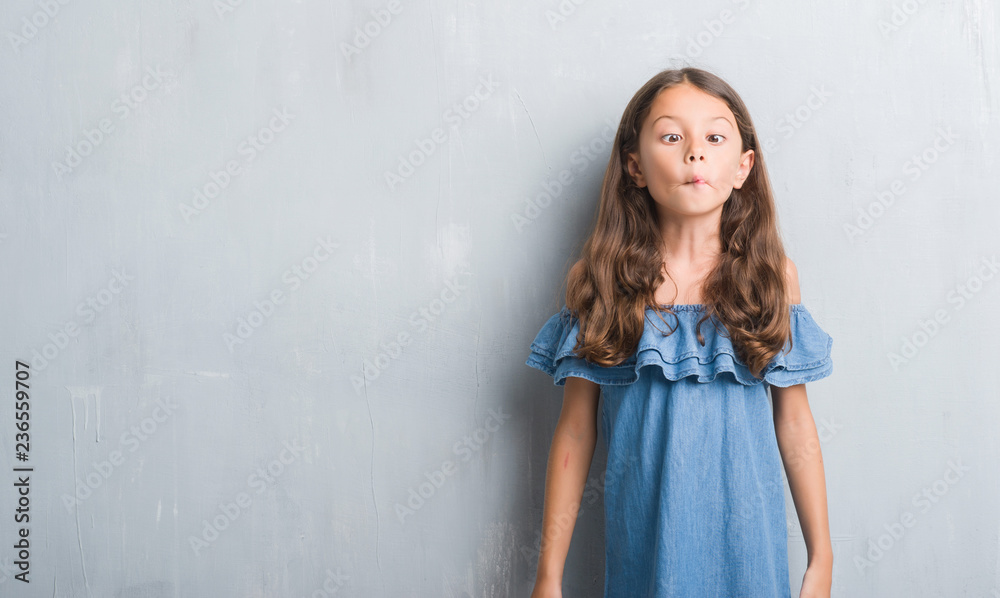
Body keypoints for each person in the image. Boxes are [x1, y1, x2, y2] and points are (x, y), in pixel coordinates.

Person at [525, 67, 835, 598]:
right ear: (634, 166)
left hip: (751, 556)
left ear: (743, 167)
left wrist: (821, 558)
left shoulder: (772, 278)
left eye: (714, 138)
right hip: (645, 554)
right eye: (672, 137)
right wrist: (549, 575)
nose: (695, 153)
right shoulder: (602, 281)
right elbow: (576, 430)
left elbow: (795, 422)